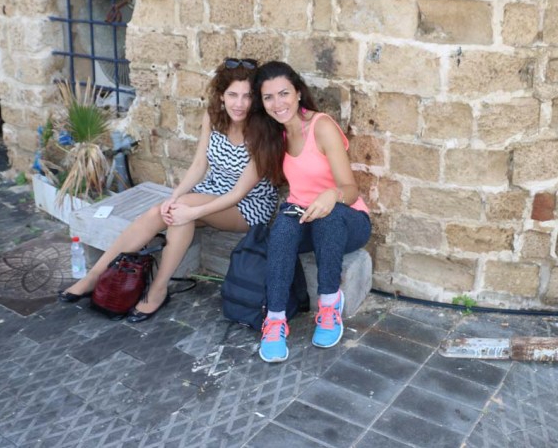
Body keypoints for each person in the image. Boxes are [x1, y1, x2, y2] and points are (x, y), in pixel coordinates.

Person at [58, 59, 277, 322]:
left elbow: (238, 194)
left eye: (247, 96)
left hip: (247, 206)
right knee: (159, 212)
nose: (239, 103)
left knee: (183, 210)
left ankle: (158, 288)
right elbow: (199, 165)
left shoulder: (265, 132)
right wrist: (173, 196)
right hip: (211, 191)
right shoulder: (214, 117)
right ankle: (95, 275)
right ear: (221, 95)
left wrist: (190, 209)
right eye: (233, 95)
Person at [248, 61, 371, 363]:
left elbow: (351, 189)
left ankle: (329, 304)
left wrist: (333, 194)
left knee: (328, 218)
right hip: (305, 217)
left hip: (348, 219)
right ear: (262, 103)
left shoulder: (322, 126)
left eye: (284, 93)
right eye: (269, 97)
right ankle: (275, 321)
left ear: (298, 93)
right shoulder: (274, 134)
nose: (278, 103)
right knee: (282, 227)